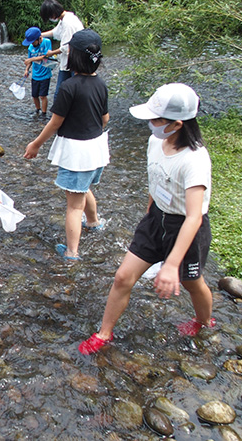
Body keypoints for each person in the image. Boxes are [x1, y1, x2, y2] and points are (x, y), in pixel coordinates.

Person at [79, 84, 214, 355]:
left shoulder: (194, 160)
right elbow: (156, 181)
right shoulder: (156, 141)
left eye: (156, 119)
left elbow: (193, 217)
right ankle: (105, 333)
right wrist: (149, 215)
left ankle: (203, 322)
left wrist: (170, 264)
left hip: (185, 227)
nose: (151, 124)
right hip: (156, 220)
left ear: (177, 124)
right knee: (122, 277)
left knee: (191, 282)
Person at [24, 29, 109, 260]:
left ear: (74, 57)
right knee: (84, 187)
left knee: (73, 205)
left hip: (77, 152)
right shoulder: (101, 84)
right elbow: (105, 119)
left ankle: (72, 252)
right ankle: (93, 222)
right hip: (97, 149)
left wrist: (35, 144)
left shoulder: (68, 87)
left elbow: (54, 123)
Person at [39, 0, 84, 102]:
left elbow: (66, 47)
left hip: (74, 62)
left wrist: (51, 53)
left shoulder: (68, 23)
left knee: (62, 95)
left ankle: (61, 116)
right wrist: (40, 35)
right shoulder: (65, 18)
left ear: (53, 13)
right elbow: (56, 32)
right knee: (62, 93)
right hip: (69, 61)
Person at [22, 27, 53, 119]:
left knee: (43, 95)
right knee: (34, 95)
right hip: (35, 74)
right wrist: (26, 69)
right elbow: (29, 61)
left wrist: (31, 59)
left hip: (45, 74)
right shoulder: (31, 47)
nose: (32, 44)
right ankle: (37, 109)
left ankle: (43, 113)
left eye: (33, 41)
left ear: (39, 38)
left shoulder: (46, 42)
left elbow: (46, 56)